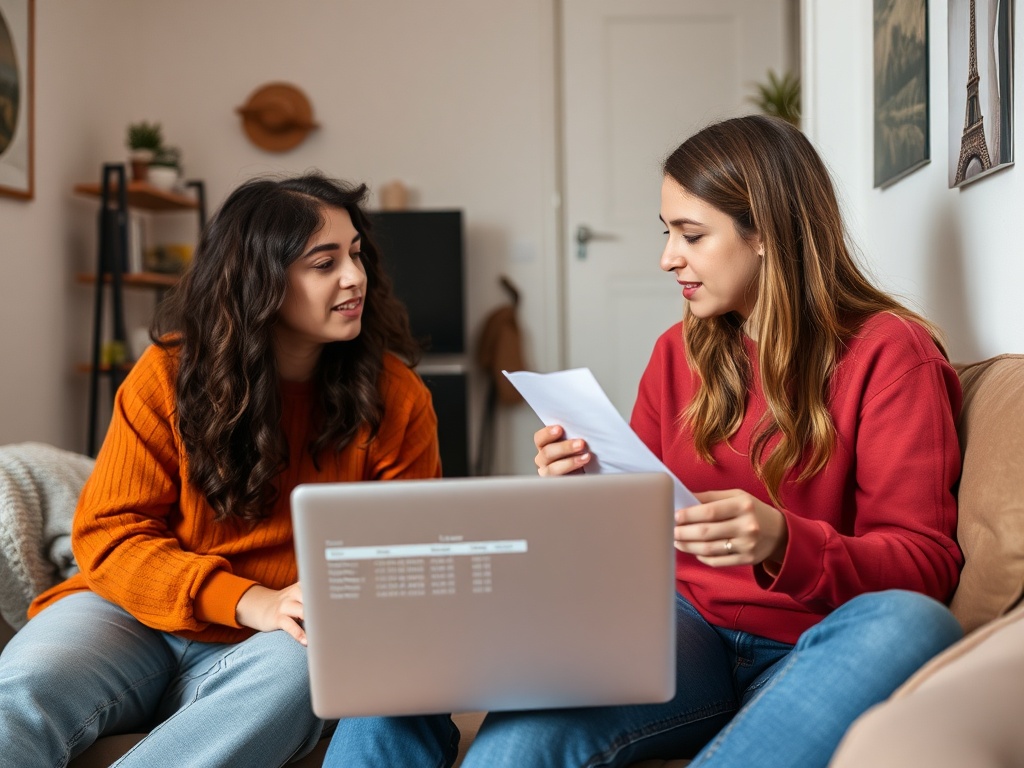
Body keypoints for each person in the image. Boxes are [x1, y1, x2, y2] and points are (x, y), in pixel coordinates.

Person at [322, 115, 966, 768]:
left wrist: (782, 540)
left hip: (817, 638)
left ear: (768, 232)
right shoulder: (678, 351)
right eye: (667, 233)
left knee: (914, 626)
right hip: (681, 629)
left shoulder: (891, 354)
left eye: (691, 234)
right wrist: (584, 489)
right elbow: (635, 536)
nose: (667, 258)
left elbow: (923, 566)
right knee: (516, 744)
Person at [0, 173, 441, 767]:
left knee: (310, 668)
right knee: (24, 689)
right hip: (129, 614)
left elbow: (410, 559)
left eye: (356, 254)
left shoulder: (397, 397)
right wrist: (246, 597)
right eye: (324, 262)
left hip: (286, 637)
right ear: (259, 279)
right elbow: (108, 533)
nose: (354, 277)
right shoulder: (167, 374)